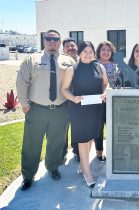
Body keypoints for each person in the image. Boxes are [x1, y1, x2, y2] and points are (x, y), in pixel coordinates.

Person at [16, 29, 73, 191]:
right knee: (31, 144)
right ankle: (28, 176)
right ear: (44, 41)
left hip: (60, 110)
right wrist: (25, 104)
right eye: (49, 39)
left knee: (56, 142)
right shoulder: (32, 60)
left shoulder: (68, 61)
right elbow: (21, 82)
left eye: (56, 39)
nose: (52, 42)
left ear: (60, 42)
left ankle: (53, 168)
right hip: (37, 110)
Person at [61, 41, 108, 187]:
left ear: (94, 53)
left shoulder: (100, 67)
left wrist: (105, 92)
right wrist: (73, 98)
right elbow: (64, 89)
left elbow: (106, 83)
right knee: (82, 140)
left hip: (95, 109)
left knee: (90, 139)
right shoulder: (72, 69)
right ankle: (87, 174)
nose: (88, 55)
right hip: (79, 110)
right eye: (85, 52)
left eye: (90, 52)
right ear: (79, 53)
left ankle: (83, 165)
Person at [95, 41, 119, 161]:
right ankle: (99, 152)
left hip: (111, 102)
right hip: (96, 101)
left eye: (108, 50)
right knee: (98, 128)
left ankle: (112, 152)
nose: (106, 52)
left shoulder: (115, 66)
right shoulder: (93, 64)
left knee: (111, 127)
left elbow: (115, 84)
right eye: (103, 49)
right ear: (99, 51)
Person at [61, 37, 80, 162]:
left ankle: (77, 152)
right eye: (67, 46)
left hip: (78, 101)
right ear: (63, 49)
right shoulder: (59, 61)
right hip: (62, 101)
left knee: (78, 128)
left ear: (76, 47)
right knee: (62, 129)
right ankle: (61, 154)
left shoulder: (83, 60)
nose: (70, 48)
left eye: (72, 45)